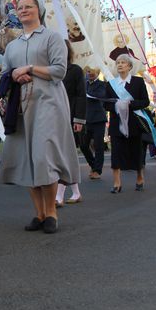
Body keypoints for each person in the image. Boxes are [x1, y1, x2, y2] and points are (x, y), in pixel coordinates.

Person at [0, 0, 80, 234]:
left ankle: (52, 212)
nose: (23, 10)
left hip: (47, 104)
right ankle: (39, 213)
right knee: (26, 158)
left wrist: (30, 68)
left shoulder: (52, 38)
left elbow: (59, 70)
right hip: (20, 107)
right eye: (20, 8)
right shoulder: (12, 45)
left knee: (44, 158)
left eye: (29, 7)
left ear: (39, 10)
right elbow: (5, 72)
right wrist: (14, 75)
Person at [104, 54, 150, 193]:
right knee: (116, 153)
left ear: (129, 66)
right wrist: (117, 106)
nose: (120, 65)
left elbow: (145, 102)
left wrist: (130, 104)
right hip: (117, 123)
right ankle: (117, 182)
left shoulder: (138, 82)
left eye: (123, 62)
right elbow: (106, 104)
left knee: (136, 151)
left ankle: (140, 178)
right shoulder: (110, 84)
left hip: (134, 123)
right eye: (118, 62)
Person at [56, 43, 86, 206]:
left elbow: (81, 95)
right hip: (53, 117)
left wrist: (79, 119)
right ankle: (76, 191)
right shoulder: (49, 70)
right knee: (61, 156)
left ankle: (59, 195)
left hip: (70, 116)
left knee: (64, 155)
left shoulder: (75, 70)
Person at [80, 66, 108, 180]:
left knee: (98, 146)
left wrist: (88, 93)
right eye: (88, 71)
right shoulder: (84, 84)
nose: (90, 73)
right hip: (86, 119)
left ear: (97, 72)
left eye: (92, 72)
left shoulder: (102, 84)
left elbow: (101, 95)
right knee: (83, 145)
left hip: (98, 119)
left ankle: (97, 170)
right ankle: (93, 165)